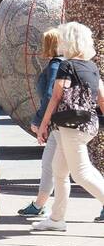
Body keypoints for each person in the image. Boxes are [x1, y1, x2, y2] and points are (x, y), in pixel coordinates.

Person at [33, 21, 104, 232]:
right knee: (59, 171)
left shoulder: (66, 65)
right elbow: (101, 96)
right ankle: (56, 219)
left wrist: (43, 125)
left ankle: (56, 219)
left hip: (70, 126)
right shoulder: (91, 66)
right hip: (85, 124)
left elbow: (55, 97)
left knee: (81, 173)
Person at [17, 27, 63, 220]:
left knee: (79, 170)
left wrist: (38, 121)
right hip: (60, 124)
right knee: (50, 166)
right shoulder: (67, 63)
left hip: (59, 124)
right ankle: (39, 205)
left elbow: (50, 95)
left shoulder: (55, 65)